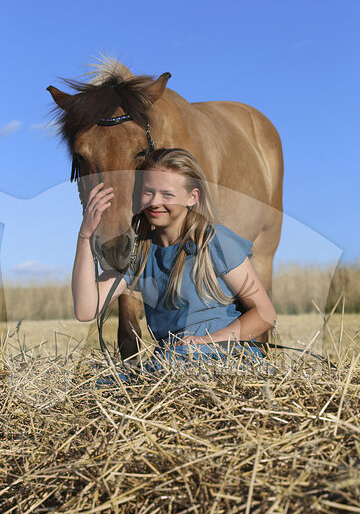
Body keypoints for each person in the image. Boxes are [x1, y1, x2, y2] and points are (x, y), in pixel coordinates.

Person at [72, 148, 277, 382]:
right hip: (169, 366)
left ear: (192, 197)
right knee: (97, 388)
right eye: (148, 192)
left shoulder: (215, 241)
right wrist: (85, 236)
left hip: (225, 361)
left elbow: (265, 313)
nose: (155, 202)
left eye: (167, 194)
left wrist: (207, 340)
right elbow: (86, 309)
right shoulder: (140, 254)